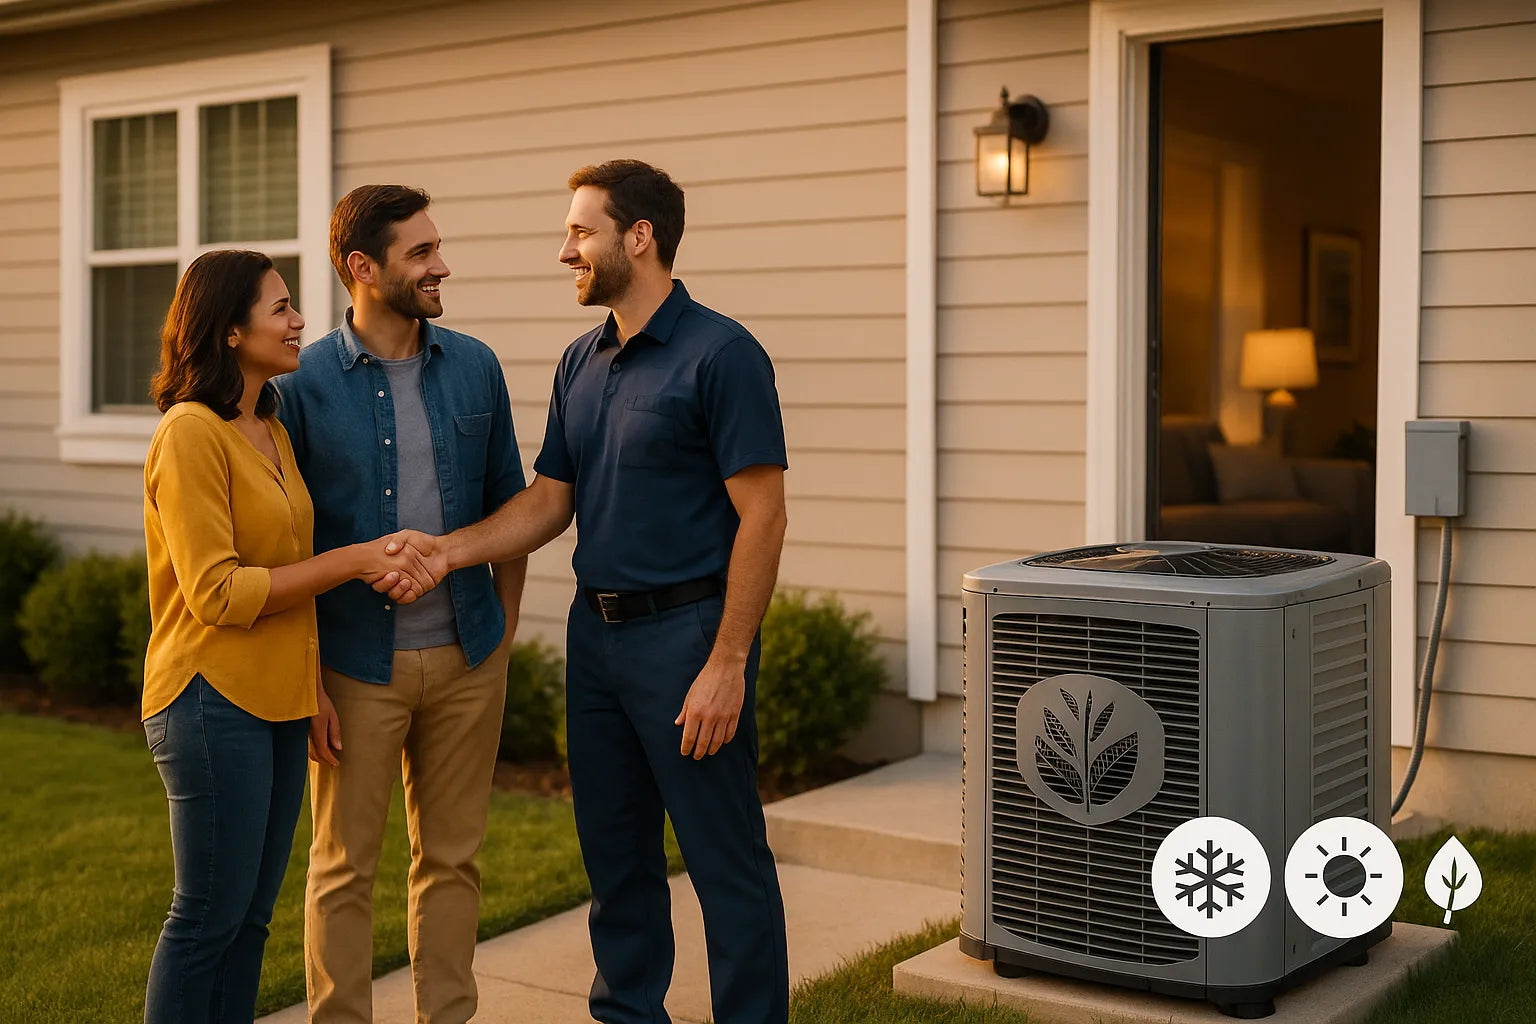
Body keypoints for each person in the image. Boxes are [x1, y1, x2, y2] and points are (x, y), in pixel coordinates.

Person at [387, 159, 791, 1024]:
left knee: (727, 864)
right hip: (596, 641)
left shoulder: (723, 354)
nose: (564, 250)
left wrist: (728, 661)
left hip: (687, 639)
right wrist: (449, 551)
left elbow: (763, 517)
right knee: (615, 862)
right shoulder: (582, 361)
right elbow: (549, 501)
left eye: (580, 231)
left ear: (637, 237)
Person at [140, 249, 435, 1024]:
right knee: (206, 918)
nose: (299, 319)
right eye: (279, 308)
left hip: (274, 704)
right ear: (229, 331)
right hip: (209, 700)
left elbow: (286, 573)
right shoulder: (190, 435)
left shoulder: (266, 423)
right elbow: (218, 593)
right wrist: (354, 561)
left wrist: (310, 692)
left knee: (251, 922)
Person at [274, 185, 528, 1024]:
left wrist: (503, 639)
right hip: (352, 668)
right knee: (343, 867)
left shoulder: (476, 366)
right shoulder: (301, 385)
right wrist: (306, 681)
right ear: (362, 267)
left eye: (436, 247)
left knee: (453, 862)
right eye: (419, 252)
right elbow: (289, 547)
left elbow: (509, 511)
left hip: (467, 656)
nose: (440, 265)